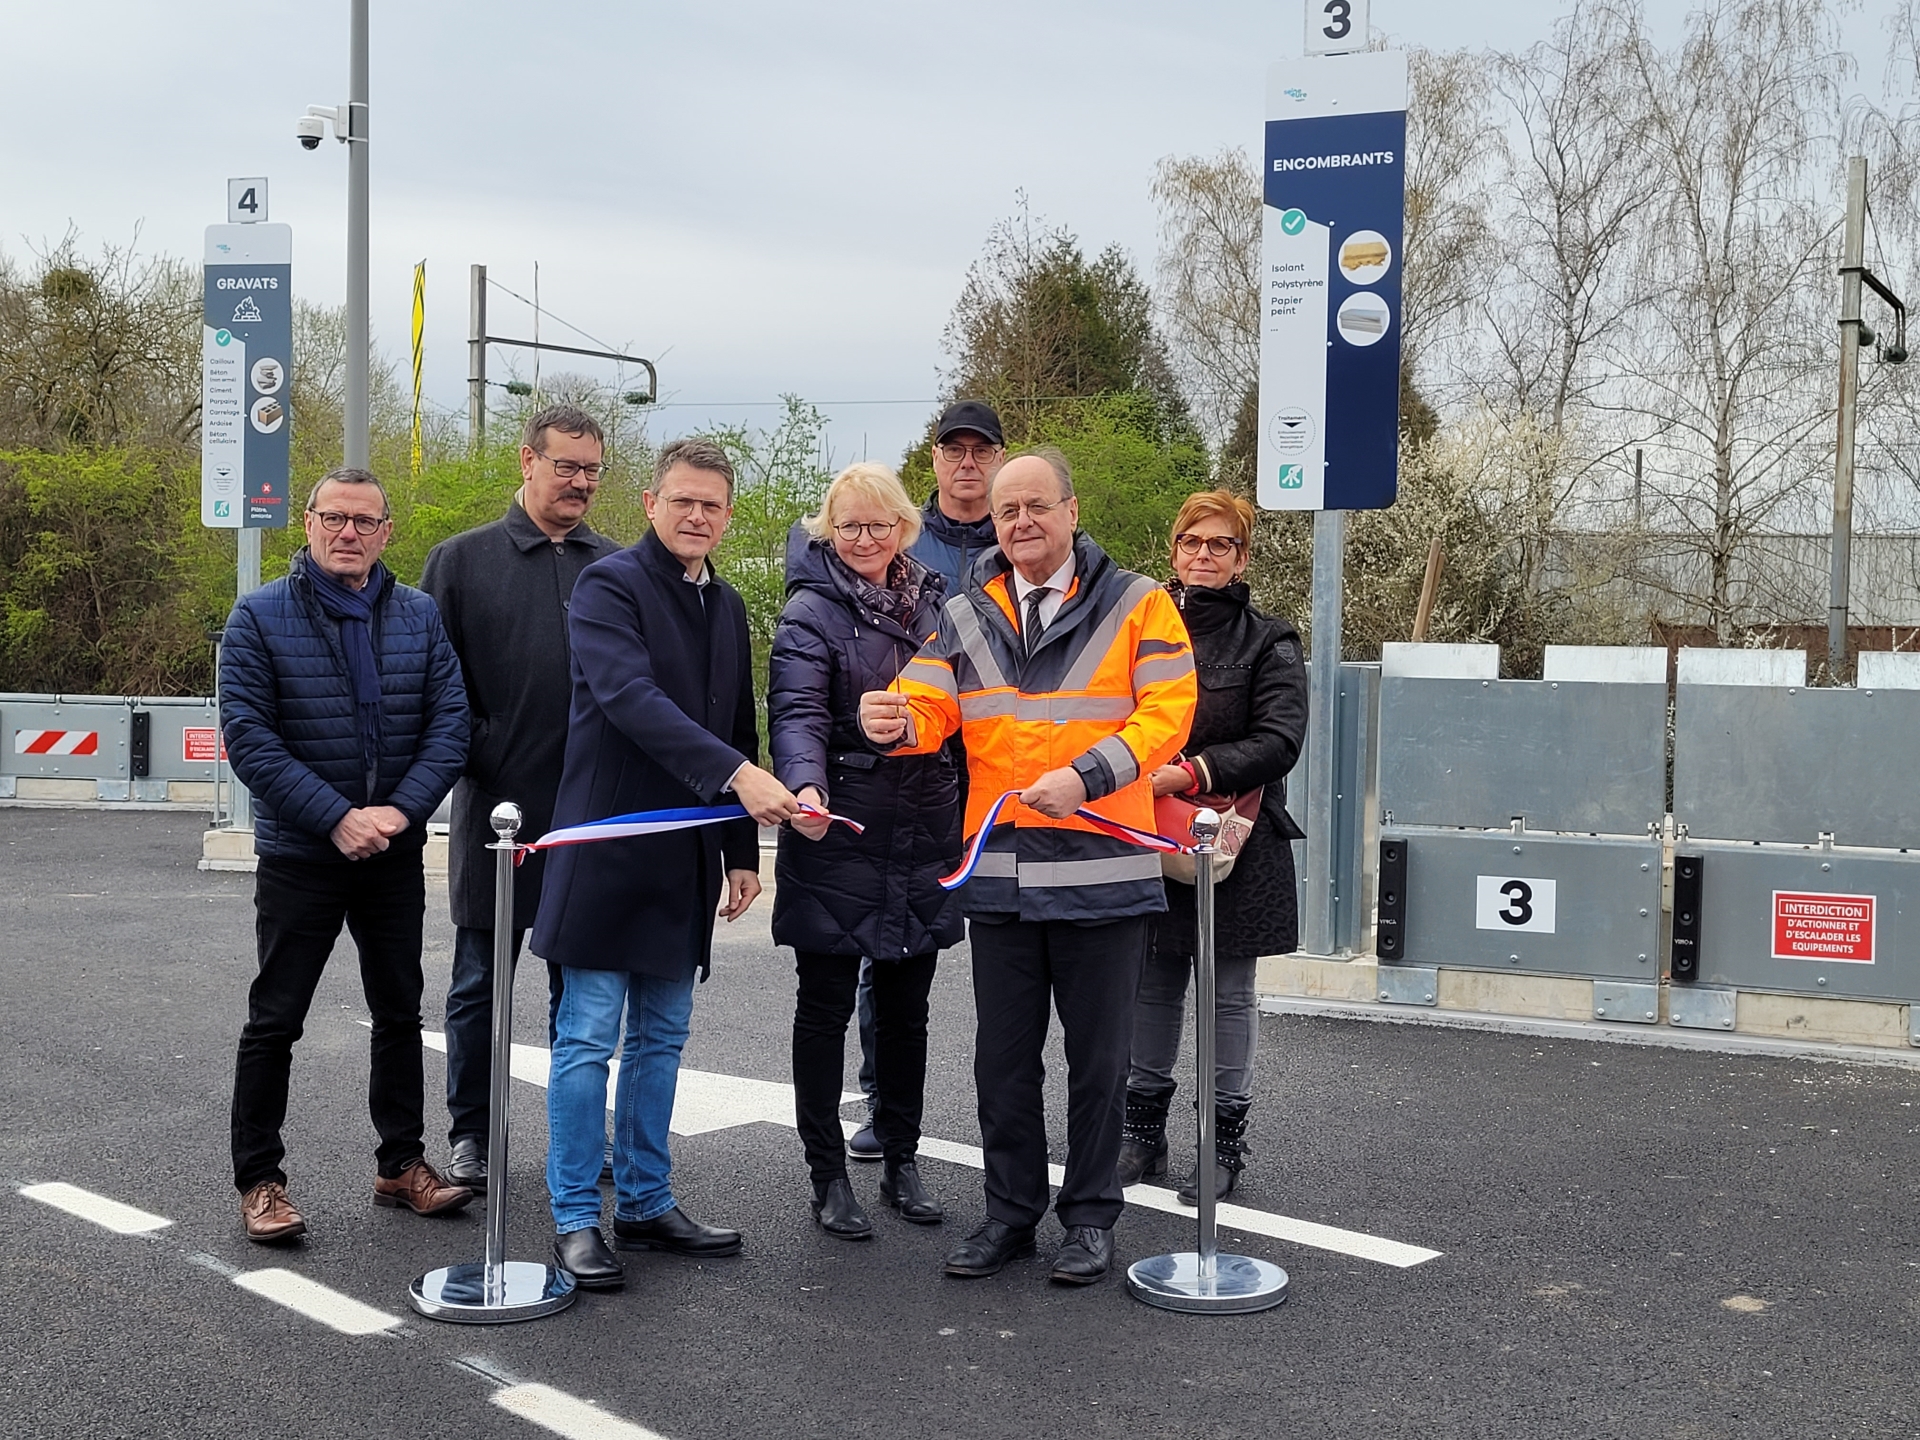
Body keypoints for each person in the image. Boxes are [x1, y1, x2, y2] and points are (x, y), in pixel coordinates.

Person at [859, 448, 1198, 1286]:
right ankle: (1009, 1213)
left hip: (1104, 873)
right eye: (1007, 512)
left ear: (1072, 511)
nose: (1020, 523)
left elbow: (1170, 713)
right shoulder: (967, 609)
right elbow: (931, 699)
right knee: (1002, 1062)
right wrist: (893, 718)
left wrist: (1087, 775)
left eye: (1036, 507)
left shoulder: (1140, 604)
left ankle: (1088, 1219)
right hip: (1003, 875)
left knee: (1098, 1063)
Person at [534, 437, 802, 1290]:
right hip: (609, 849)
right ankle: (576, 1217)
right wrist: (738, 778)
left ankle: (646, 1203)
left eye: (712, 506)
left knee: (662, 1039)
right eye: (682, 500)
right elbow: (629, 700)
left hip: (685, 856)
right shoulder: (607, 586)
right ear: (650, 504)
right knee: (585, 1040)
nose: (696, 516)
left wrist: (737, 848)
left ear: (726, 516)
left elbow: (735, 726)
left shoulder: (725, 605)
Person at [221, 467, 472, 1243]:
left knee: (399, 1012)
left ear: (387, 532)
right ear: (308, 522)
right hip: (303, 852)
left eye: (364, 521)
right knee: (276, 1020)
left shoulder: (419, 616)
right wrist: (335, 817)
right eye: (334, 517)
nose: (348, 532)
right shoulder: (259, 616)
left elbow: (450, 726)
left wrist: (399, 812)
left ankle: (402, 1165)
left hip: (390, 852)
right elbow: (249, 738)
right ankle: (260, 1181)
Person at [420, 404, 620, 1191]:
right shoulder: (461, 562)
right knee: (479, 984)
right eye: (566, 466)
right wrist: (487, 750)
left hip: (591, 817)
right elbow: (434, 687)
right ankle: (472, 1133)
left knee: (585, 992)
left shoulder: (616, 567)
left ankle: (579, 1141)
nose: (578, 483)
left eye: (591, 471)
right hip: (496, 813)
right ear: (527, 461)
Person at [768, 463, 963, 1239]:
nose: (864, 539)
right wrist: (806, 788)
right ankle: (827, 1175)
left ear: (906, 529)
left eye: (880, 524)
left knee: (907, 1010)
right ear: (827, 530)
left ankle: (903, 1158)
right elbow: (796, 712)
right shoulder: (810, 611)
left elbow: (969, 713)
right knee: (822, 1007)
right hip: (840, 826)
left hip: (924, 829)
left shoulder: (944, 608)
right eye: (848, 525)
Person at [1116, 491, 1307, 1203]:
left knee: (1228, 995)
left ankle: (1223, 1145)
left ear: (1241, 558)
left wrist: (1193, 772)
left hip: (1240, 842)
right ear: (1173, 552)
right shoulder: (1137, 631)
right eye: (1191, 542)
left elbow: (1280, 742)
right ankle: (1141, 1137)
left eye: (1219, 545)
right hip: (1148, 831)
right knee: (1152, 985)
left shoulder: (1270, 641)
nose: (1203, 555)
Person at [830, 401, 1006, 1162]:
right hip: (912, 768)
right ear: (933, 460)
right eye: (953, 449)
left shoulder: (1023, 533)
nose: (967, 462)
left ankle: (1012, 1107)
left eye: (981, 449)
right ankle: (882, 1100)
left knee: (1009, 943)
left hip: (999, 769)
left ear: (1000, 458)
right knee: (890, 946)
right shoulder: (904, 539)